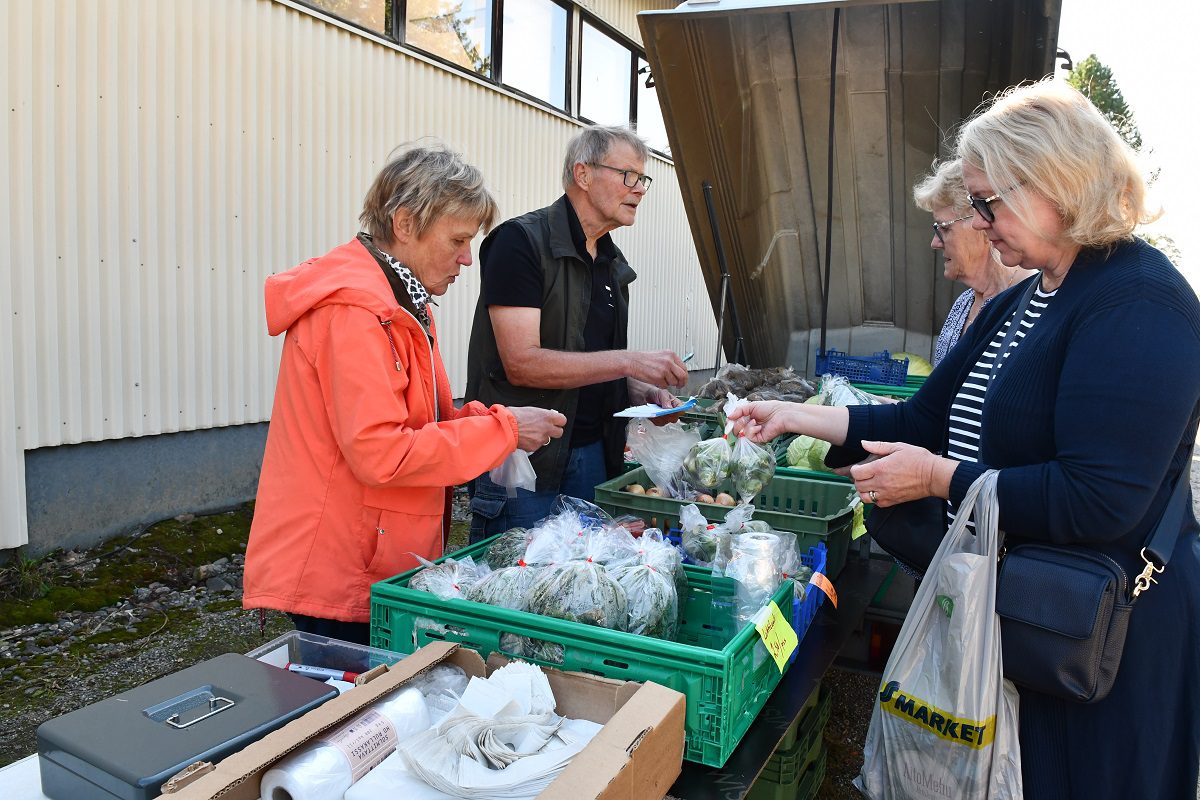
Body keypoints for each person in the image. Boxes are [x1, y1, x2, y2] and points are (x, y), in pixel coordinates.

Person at [730, 77, 1200, 798]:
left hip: (1099, 643)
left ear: (1057, 183)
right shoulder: (1023, 300)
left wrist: (938, 480)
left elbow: (1097, 499)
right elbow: (923, 422)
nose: (979, 221)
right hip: (1023, 621)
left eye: (988, 201)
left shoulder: (1138, 302)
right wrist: (796, 417)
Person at [243, 144, 566, 645]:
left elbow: (416, 420)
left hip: (369, 554)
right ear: (406, 223)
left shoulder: (400, 299)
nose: (466, 258)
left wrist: (489, 421)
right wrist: (502, 430)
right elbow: (382, 452)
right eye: (458, 239)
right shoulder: (356, 311)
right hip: (343, 569)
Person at [464, 125, 689, 541]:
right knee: (518, 585)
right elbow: (521, 363)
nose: (639, 189)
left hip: (592, 453)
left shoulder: (611, 262)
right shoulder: (519, 243)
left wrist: (641, 393)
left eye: (643, 179)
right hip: (528, 459)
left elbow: (590, 362)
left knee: (584, 591)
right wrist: (630, 360)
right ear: (583, 175)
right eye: (628, 175)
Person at [913, 158, 1034, 365]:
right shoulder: (964, 303)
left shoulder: (1030, 300)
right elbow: (943, 397)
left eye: (944, 228)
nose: (935, 243)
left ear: (981, 222)